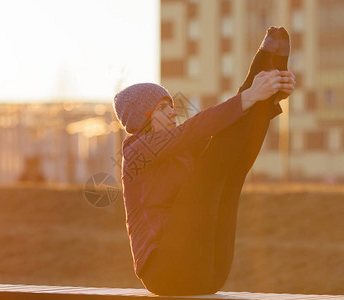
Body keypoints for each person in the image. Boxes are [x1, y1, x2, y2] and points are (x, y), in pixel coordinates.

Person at [112, 26, 295, 296]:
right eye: (163, 108)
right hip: (164, 270)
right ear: (144, 119)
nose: (173, 111)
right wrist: (251, 95)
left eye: (172, 105)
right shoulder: (136, 153)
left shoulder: (181, 151)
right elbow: (197, 128)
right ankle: (264, 66)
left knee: (230, 172)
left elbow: (228, 144)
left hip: (208, 271)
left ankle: (271, 73)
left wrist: (269, 98)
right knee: (211, 174)